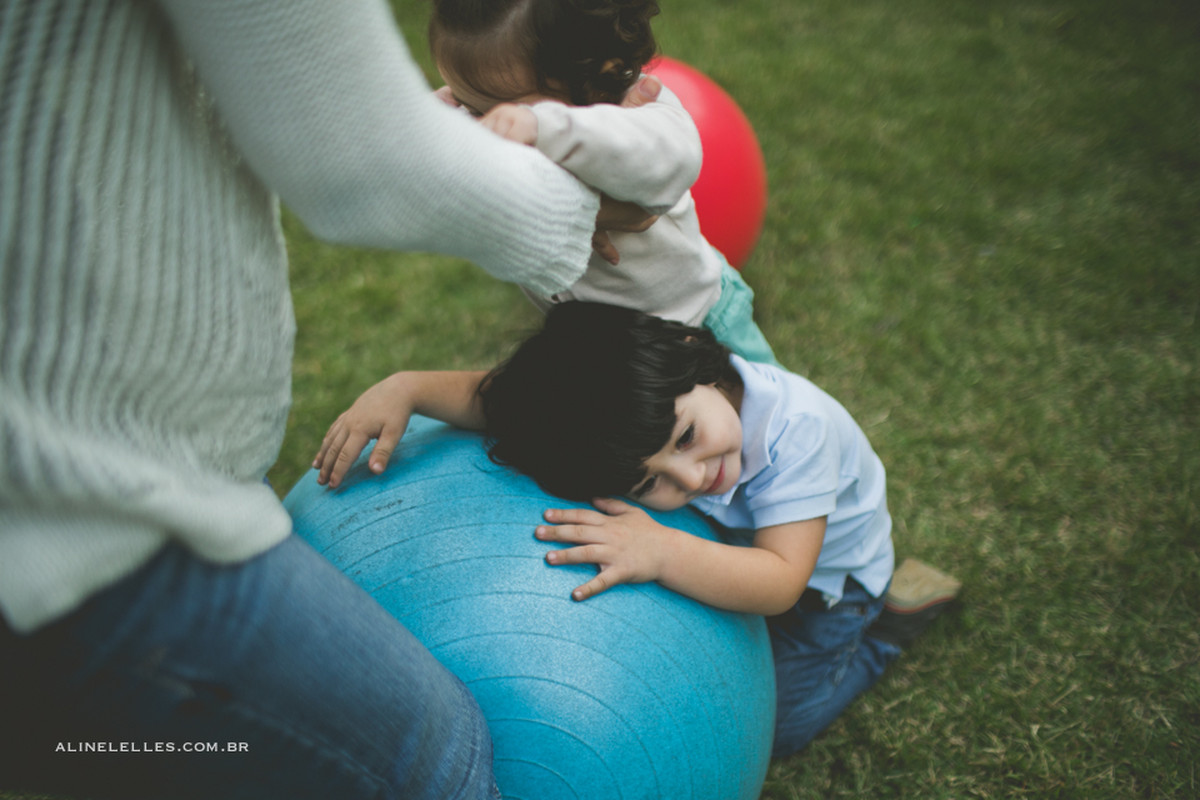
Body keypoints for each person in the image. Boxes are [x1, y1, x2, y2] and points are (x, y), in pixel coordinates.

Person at [0, 1, 658, 797]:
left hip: (96, 484)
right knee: (432, 762)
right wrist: (593, 199)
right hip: (80, 522)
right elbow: (358, 158)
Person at [313, 301, 961, 756]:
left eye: (686, 437)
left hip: (829, 590)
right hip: (738, 550)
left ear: (695, 359)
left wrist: (661, 550)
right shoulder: (644, 406)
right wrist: (408, 389)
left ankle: (890, 627)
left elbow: (780, 581)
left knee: (780, 728)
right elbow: (521, 409)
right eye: (650, 483)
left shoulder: (798, 431)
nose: (690, 475)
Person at [427, 0, 779, 365]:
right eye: (466, 104)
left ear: (597, 78)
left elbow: (671, 157)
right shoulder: (489, 112)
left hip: (696, 318)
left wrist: (545, 126)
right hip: (607, 348)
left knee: (766, 393)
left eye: (502, 113)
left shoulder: (641, 114)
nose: (485, 126)